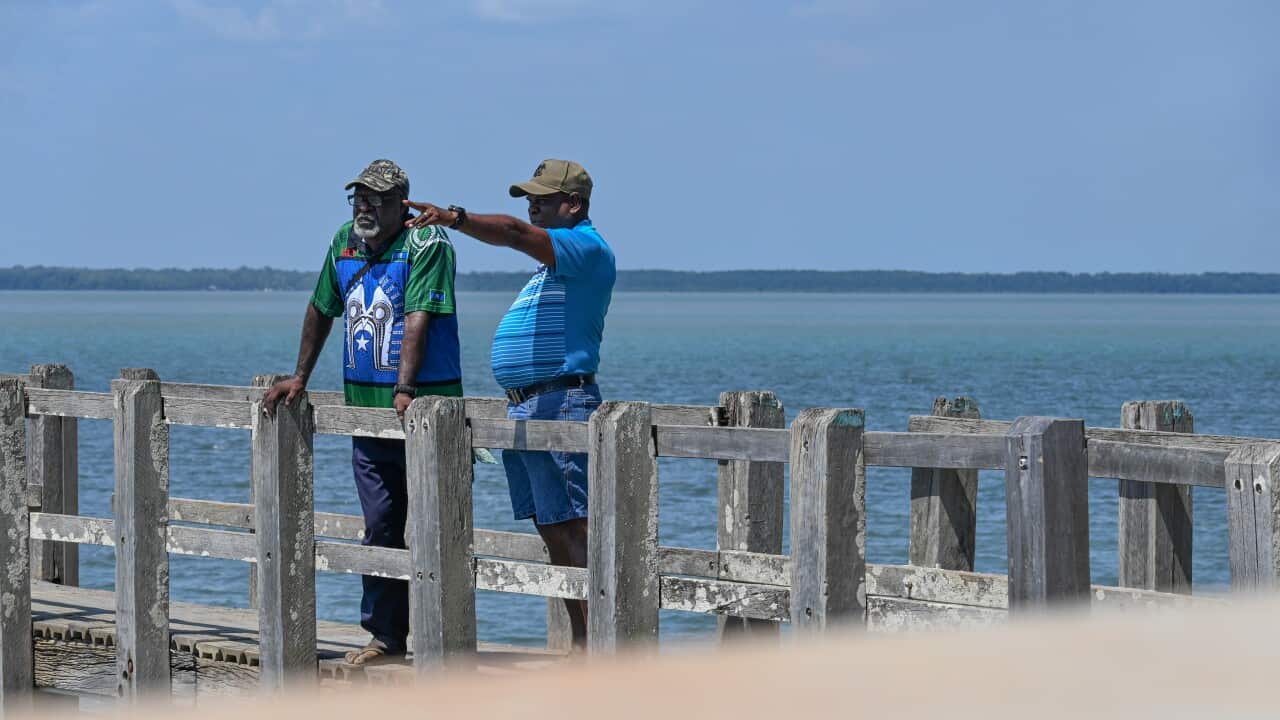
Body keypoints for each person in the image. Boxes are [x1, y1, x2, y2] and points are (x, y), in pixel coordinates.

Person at [403, 159, 615, 649]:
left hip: (561, 400)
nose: (532, 205)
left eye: (542, 198)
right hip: (528, 405)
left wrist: (455, 218)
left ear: (574, 204)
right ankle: (582, 642)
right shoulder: (554, 264)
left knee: (575, 527)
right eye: (529, 198)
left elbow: (515, 233)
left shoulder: (586, 247)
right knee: (551, 527)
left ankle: (600, 648)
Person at [263, 159, 462, 665]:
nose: (364, 207)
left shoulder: (427, 243)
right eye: (358, 198)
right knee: (380, 526)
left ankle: (445, 641)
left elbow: (418, 316)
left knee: (438, 526)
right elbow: (320, 307)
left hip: (425, 414)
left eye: (376, 198)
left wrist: (405, 388)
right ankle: (385, 636)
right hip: (366, 416)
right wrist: (300, 377)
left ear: (403, 204)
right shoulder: (343, 242)